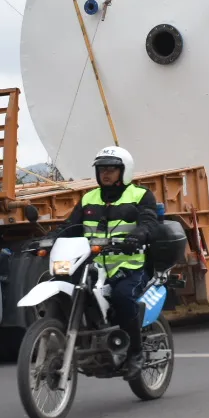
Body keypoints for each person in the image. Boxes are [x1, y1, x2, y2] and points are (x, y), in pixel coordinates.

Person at [51, 145, 161, 376]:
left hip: (129, 265)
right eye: (102, 169)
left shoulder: (140, 195)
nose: (106, 174)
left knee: (123, 297)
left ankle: (135, 353)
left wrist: (138, 235)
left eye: (112, 169)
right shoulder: (89, 198)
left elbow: (149, 223)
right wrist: (48, 239)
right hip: (92, 265)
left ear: (124, 171)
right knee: (63, 287)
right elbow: (70, 227)